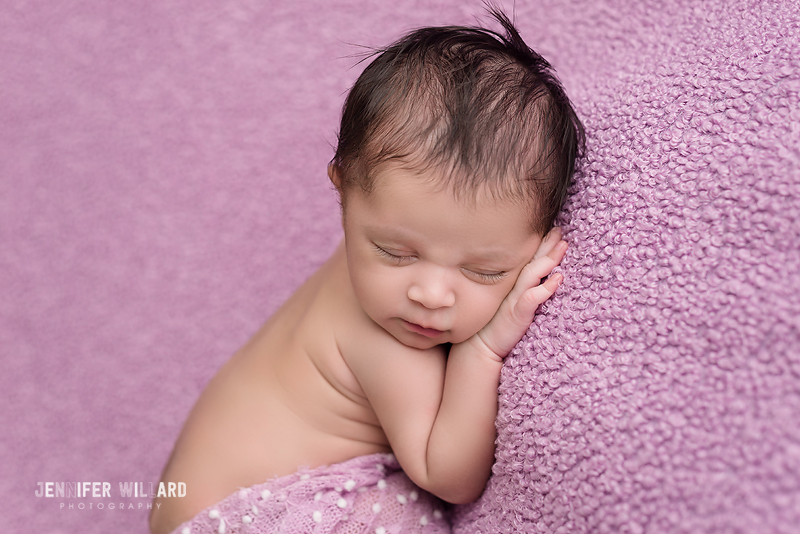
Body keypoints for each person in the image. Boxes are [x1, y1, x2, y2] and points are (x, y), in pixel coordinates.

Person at [150, 9, 583, 534]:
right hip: (255, 515)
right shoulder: (384, 338)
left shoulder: (388, 251)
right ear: (343, 191)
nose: (429, 293)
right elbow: (448, 474)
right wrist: (482, 350)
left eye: (484, 270)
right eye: (394, 252)